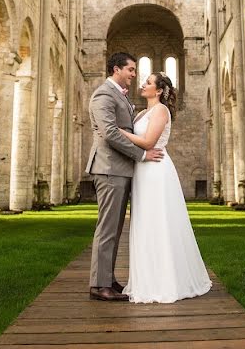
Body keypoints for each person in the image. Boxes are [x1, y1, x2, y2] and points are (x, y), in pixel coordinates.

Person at [120, 72, 213, 303]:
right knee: (144, 221)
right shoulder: (143, 112)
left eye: (148, 82)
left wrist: (119, 133)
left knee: (158, 221)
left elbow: (149, 142)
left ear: (159, 91)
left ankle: (166, 281)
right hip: (142, 170)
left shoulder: (161, 110)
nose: (143, 84)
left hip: (156, 170)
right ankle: (147, 279)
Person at [85, 52, 165, 301]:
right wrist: (141, 155)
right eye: (130, 69)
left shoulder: (120, 96)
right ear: (116, 69)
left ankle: (107, 279)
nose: (134, 74)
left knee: (115, 228)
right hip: (109, 168)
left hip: (119, 169)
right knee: (107, 228)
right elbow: (109, 133)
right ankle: (99, 286)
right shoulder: (103, 94)